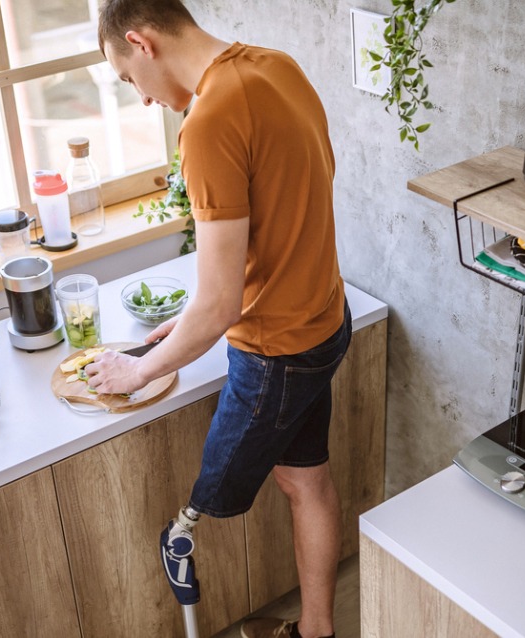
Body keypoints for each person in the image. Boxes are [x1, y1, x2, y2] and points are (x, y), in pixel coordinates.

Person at [87, 2, 350, 637]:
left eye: (127, 80)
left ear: (140, 42)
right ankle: (318, 633)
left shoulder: (207, 123)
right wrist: (183, 325)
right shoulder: (277, 68)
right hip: (324, 321)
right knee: (305, 482)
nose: (144, 101)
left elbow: (219, 308)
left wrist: (139, 369)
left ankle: (186, 544)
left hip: (275, 354)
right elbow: (284, 220)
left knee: (196, 518)